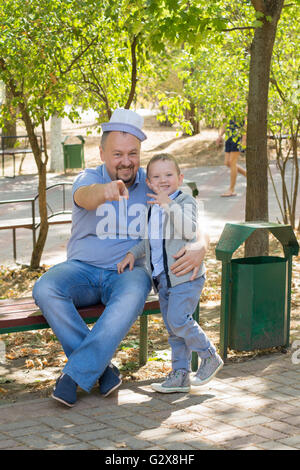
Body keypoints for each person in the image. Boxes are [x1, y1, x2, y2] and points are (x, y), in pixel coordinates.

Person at [32, 109, 207, 407]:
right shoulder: (88, 177)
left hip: (127, 274)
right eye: (117, 154)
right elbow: (84, 196)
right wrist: (106, 191)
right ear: (101, 153)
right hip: (81, 271)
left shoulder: (153, 181)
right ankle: (101, 370)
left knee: (136, 288)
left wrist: (201, 244)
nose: (126, 161)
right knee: (45, 289)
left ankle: (74, 376)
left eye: (132, 153)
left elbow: (190, 213)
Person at [117, 154, 223, 393]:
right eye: (156, 176)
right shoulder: (151, 208)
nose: (162, 180)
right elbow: (149, 240)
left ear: (180, 178)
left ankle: (209, 356)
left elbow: (189, 230)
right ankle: (180, 374)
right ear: (148, 182)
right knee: (173, 329)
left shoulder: (185, 202)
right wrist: (133, 254)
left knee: (178, 320)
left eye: (168, 175)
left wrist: (168, 204)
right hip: (162, 279)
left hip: (185, 276)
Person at [216, 118, 246, 197]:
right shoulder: (230, 106)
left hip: (238, 137)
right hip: (229, 137)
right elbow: (225, 122)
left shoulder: (243, 107)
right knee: (227, 163)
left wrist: (244, 140)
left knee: (232, 162)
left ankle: (231, 190)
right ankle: (249, 176)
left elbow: (246, 124)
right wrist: (220, 136)